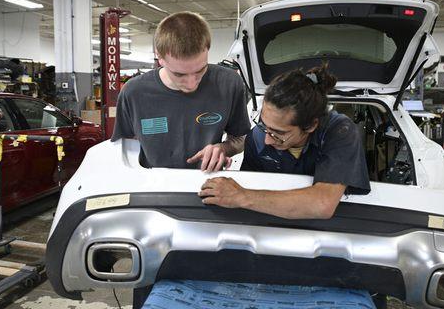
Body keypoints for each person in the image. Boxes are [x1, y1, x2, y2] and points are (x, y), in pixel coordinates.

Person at [199, 63, 370, 219]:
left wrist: (241, 196)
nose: (266, 140)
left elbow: (323, 204)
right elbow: (250, 186)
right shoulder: (257, 137)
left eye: (278, 133)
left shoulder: (340, 132)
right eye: (264, 126)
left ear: (310, 126)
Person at [111, 11, 251, 172]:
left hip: (207, 182)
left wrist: (223, 149)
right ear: (159, 56)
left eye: (200, 70)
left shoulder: (229, 83)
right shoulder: (133, 93)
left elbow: (240, 138)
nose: (191, 84)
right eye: (179, 74)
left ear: (207, 49)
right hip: (153, 185)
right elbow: (126, 147)